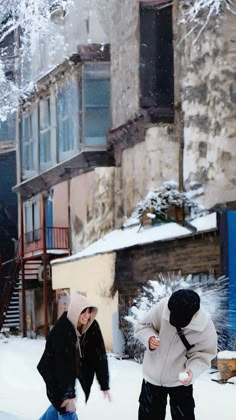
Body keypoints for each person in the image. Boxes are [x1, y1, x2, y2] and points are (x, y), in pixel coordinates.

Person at [134, 288, 217, 420]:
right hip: (152, 378)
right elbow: (142, 326)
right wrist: (149, 338)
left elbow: (204, 355)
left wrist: (192, 371)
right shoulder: (162, 307)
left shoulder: (205, 328)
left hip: (180, 382)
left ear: (194, 314)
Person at [37, 292, 110, 419]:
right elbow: (63, 364)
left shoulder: (92, 326)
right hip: (52, 370)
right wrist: (68, 393)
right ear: (76, 311)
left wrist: (104, 382)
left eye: (89, 311)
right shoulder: (62, 330)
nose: (87, 316)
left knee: (60, 406)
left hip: (68, 370)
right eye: (83, 312)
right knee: (65, 407)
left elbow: (100, 355)